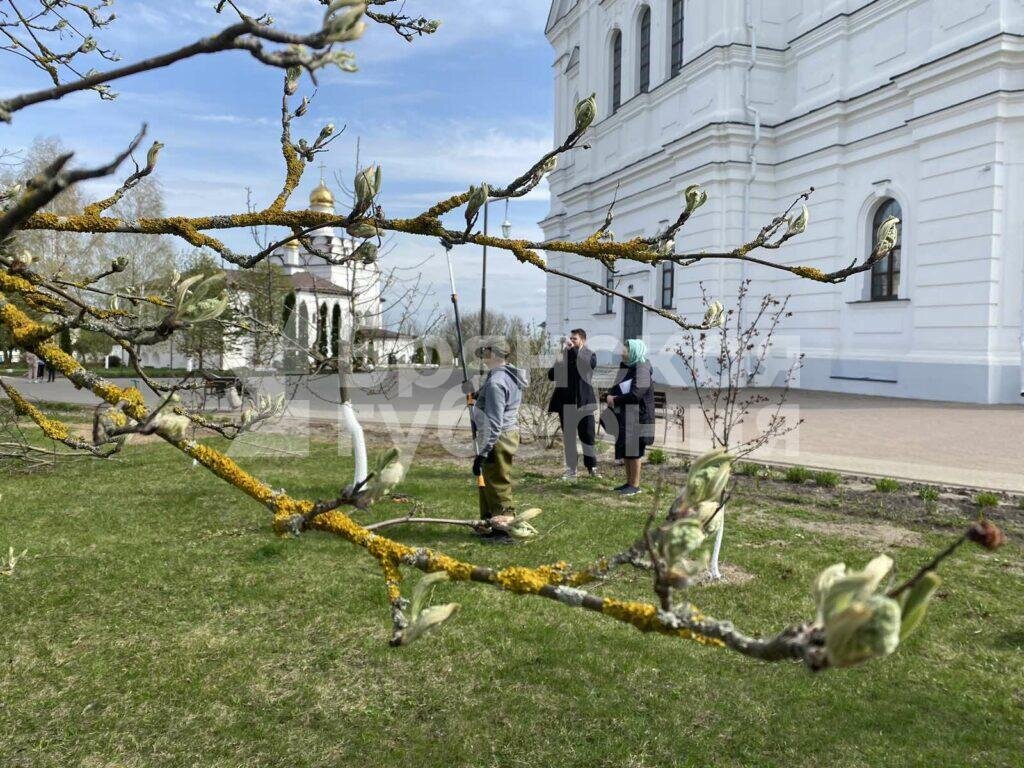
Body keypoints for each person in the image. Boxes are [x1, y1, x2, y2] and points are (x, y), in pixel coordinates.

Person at [470, 337, 528, 541]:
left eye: (485, 351)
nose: (483, 355)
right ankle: (489, 522)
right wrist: (479, 396)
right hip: (503, 435)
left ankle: (504, 529)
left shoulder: (496, 382)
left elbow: (495, 421)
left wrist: (484, 452)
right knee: (487, 479)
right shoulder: (505, 375)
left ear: (493, 354)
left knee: (497, 482)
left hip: (497, 437)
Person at [604, 339, 655, 496]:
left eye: (625, 349)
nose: (622, 352)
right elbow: (616, 386)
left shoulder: (643, 368)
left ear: (634, 352)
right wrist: (609, 395)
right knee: (627, 450)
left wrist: (615, 400)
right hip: (627, 416)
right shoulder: (627, 367)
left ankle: (635, 485)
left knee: (635, 452)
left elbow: (636, 394)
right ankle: (628, 483)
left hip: (639, 417)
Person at [547, 328, 599, 480]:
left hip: (585, 403)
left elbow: (586, 366)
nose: (571, 341)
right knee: (569, 438)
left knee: (588, 436)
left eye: (574, 339)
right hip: (567, 403)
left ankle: (592, 468)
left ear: (583, 340)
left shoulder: (589, 354)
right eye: (570, 338)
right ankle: (571, 470)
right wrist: (559, 358)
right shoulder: (564, 355)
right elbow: (551, 376)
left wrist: (574, 351)